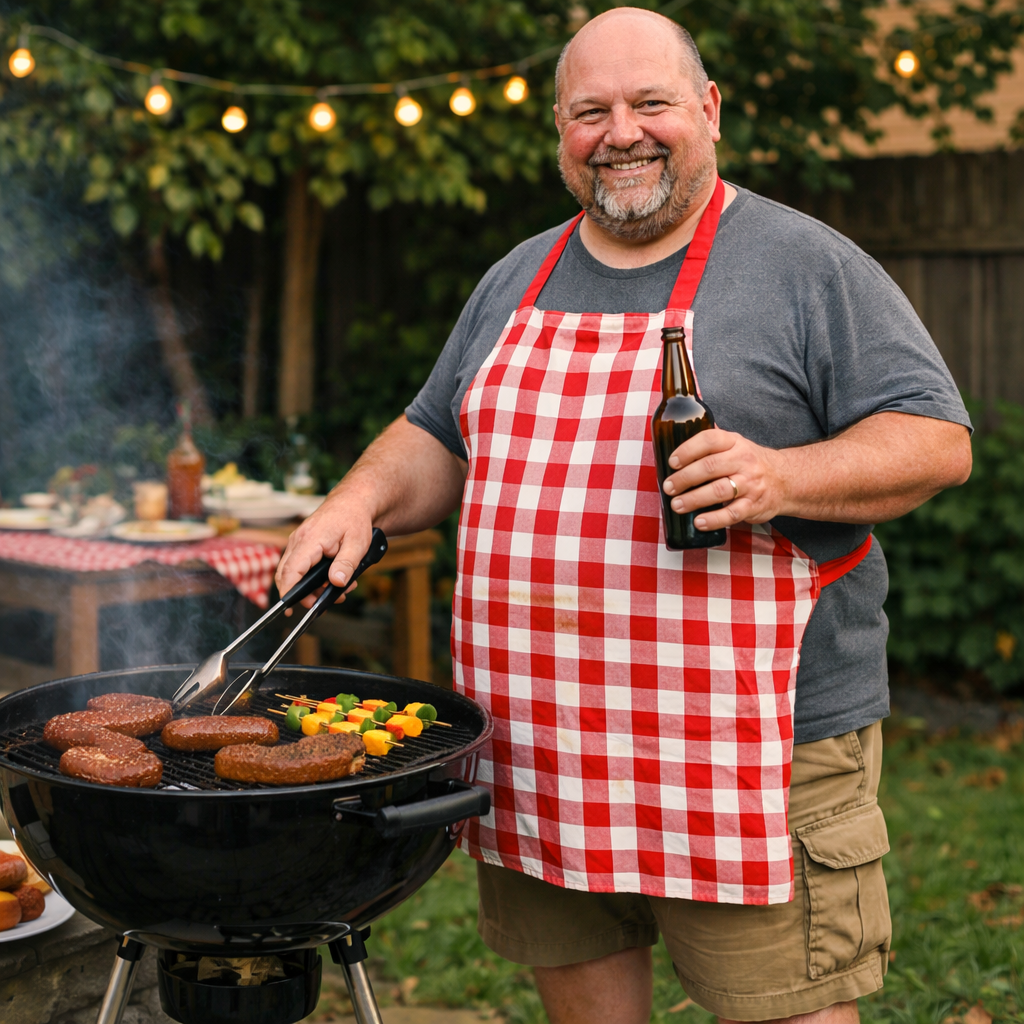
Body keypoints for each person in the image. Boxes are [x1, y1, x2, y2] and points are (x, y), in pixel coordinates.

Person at [277, 9, 972, 1024]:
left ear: (707, 110)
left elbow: (935, 439)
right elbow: (437, 432)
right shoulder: (517, 277)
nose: (622, 132)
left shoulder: (803, 263)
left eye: (649, 103)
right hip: (542, 739)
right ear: (560, 129)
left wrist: (780, 477)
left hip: (750, 744)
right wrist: (357, 496)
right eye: (590, 111)